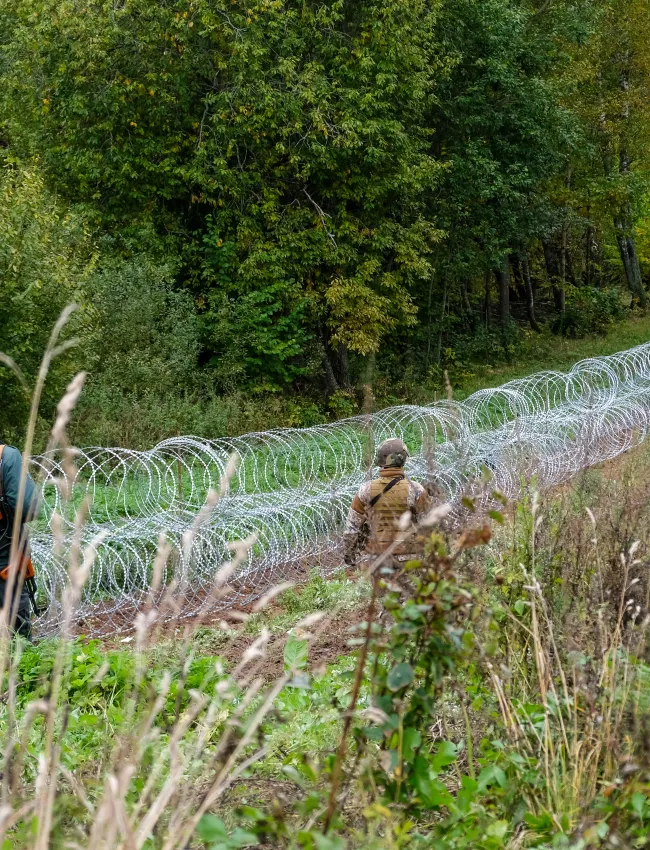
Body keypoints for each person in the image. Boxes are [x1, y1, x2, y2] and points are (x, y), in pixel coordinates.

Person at [343, 438, 431, 568]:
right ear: (402, 459)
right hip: (408, 559)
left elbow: (352, 529)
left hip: (376, 560)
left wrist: (349, 554)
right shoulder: (416, 490)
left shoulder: (365, 490)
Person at [0, 444, 40, 639]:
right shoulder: (6, 456)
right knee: (14, 611)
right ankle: (20, 659)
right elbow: (28, 507)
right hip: (4, 551)